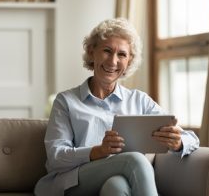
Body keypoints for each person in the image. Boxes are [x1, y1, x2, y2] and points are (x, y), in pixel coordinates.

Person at [34, 18, 199, 196]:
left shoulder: (139, 100)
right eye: (107, 51)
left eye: (122, 54)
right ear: (92, 52)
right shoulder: (66, 101)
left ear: (129, 61)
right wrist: (97, 151)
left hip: (116, 178)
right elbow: (56, 156)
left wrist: (178, 142)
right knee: (133, 160)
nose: (113, 61)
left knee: (116, 187)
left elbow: (191, 139)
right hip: (73, 183)